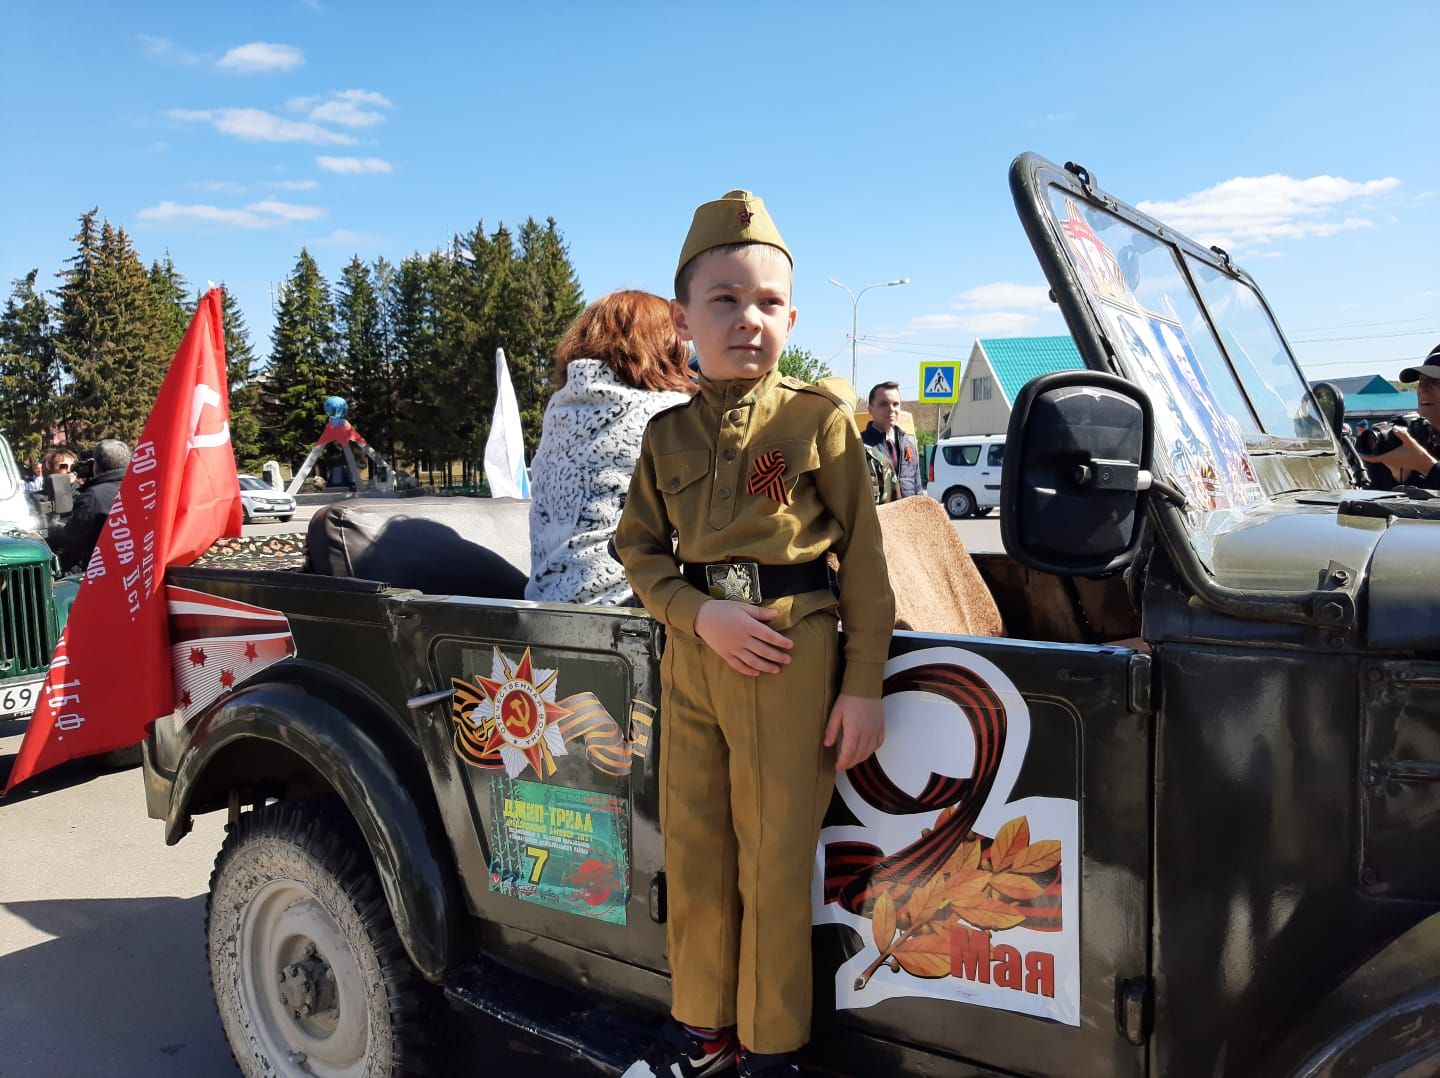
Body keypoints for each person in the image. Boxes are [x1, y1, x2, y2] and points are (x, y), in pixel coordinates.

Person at [615, 190, 894, 1078]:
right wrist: (698, 615)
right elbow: (639, 553)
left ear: (793, 317)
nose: (748, 321)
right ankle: (702, 1031)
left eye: (768, 303)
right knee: (695, 853)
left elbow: (868, 569)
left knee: (773, 862)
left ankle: (772, 1050)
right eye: (724, 302)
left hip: (785, 654)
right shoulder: (665, 437)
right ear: (686, 319)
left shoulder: (817, 424)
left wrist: (861, 683)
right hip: (694, 653)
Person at [526, 291, 695, 604]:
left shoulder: (558, 412)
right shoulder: (672, 415)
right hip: (630, 609)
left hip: (545, 605)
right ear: (667, 348)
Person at [1359, 347, 1440, 490]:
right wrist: (1398, 475)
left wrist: (1425, 465)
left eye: (1437, 381)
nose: (1423, 388)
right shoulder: (1423, 438)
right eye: (1422, 380)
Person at [48, 438, 129, 573]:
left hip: (98, 573)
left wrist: (55, 531)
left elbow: (71, 541)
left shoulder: (93, 497)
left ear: (96, 466)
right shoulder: (139, 490)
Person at [860, 382, 921, 497]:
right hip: (878, 514)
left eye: (895, 404)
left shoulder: (908, 444)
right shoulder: (860, 445)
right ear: (870, 409)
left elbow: (917, 487)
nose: (891, 409)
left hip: (907, 513)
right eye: (883, 404)